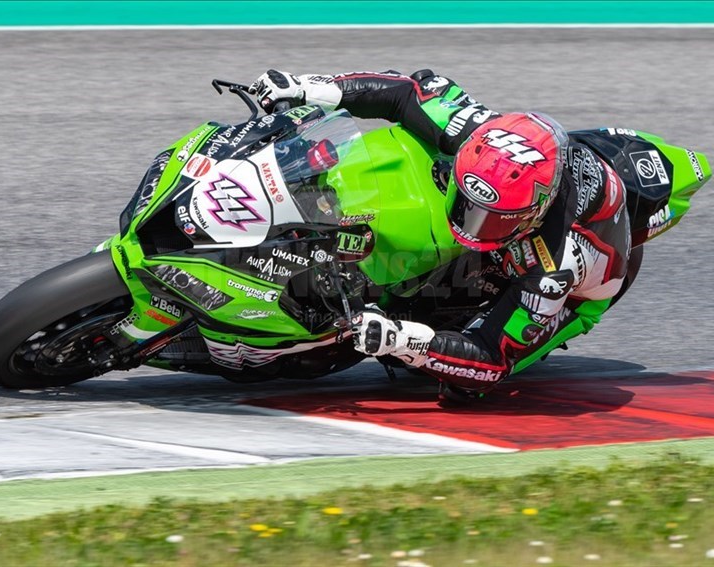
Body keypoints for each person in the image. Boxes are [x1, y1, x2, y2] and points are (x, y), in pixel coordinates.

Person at [250, 69, 635, 405]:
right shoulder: (479, 131)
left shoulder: (552, 268)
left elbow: (491, 359)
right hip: (541, 204)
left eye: (490, 219)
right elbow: (406, 90)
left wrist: (404, 341)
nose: (471, 223)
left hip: (575, 289)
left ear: (534, 213)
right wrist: (307, 87)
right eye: (467, 206)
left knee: (464, 388)